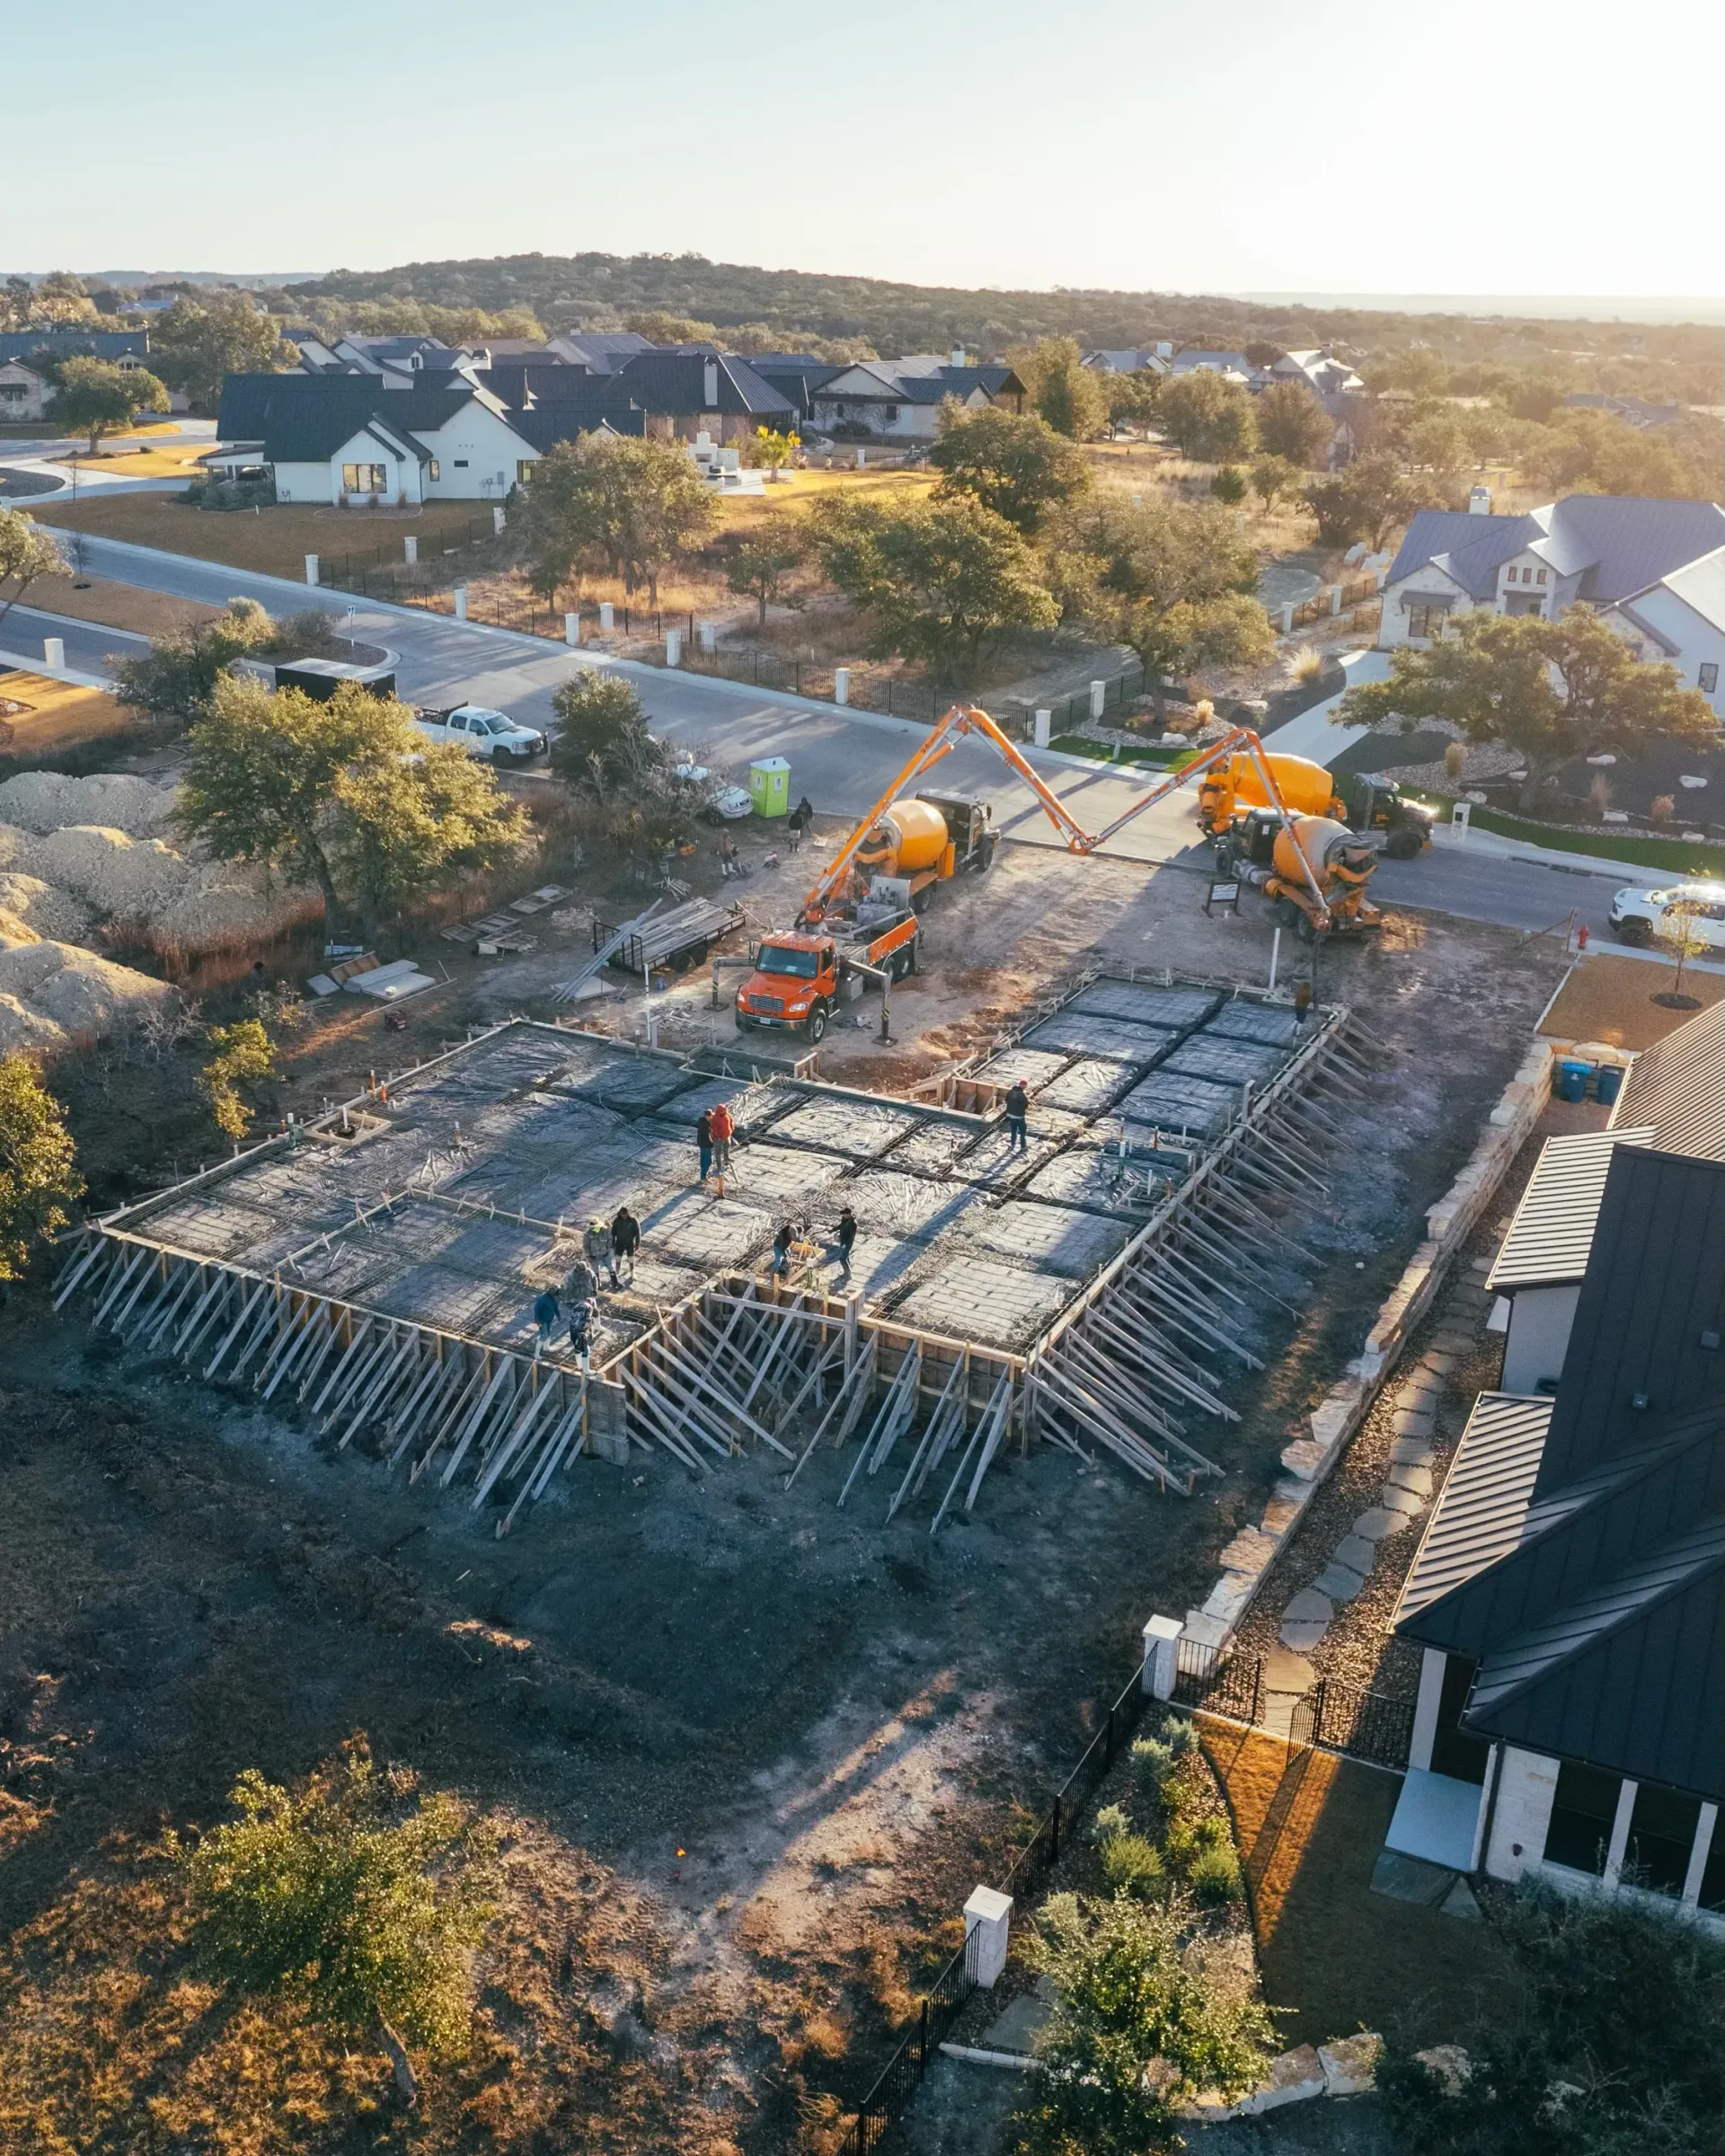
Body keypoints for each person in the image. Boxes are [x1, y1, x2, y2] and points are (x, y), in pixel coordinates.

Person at [565, 1291, 597, 1369]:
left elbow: (572, 1314)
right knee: (585, 1350)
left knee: (577, 1347)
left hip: (572, 1328)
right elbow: (588, 1320)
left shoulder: (578, 1304)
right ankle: (586, 1370)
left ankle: (580, 1367)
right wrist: (589, 1332)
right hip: (580, 1330)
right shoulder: (589, 1307)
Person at [610, 1204, 640, 1286]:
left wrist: (637, 1244)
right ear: (620, 1214)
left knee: (631, 1259)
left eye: (625, 1214)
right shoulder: (617, 1221)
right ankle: (617, 1272)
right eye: (622, 1214)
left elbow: (638, 1233)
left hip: (630, 1243)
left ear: (628, 1214)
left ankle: (632, 1273)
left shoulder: (634, 1221)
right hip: (620, 1243)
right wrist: (612, 1243)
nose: (624, 1216)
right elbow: (613, 1233)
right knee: (618, 1259)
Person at [709, 1099, 735, 1177]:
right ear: (719, 1110)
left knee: (727, 1145)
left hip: (727, 1135)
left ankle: (727, 1158)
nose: (725, 1111)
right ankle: (719, 1166)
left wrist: (732, 1128)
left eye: (725, 1109)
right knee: (718, 1153)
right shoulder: (715, 1119)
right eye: (723, 1110)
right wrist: (717, 1137)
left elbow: (730, 1121)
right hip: (719, 1139)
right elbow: (714, 1129)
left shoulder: (726, 1114)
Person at [532, 1286, 562, 1356]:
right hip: (542, 1320)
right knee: (544, 1335)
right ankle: (536, 1353)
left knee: (548, 1333)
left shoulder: (554, 1298)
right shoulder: (543, 1299)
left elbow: (556, 1308)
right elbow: (536, 1308)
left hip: (549, 1319)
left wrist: (558, 1316)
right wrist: (537, 1320)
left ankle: (546, 1347)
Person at [1004, 1079, 1030, 1154]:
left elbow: (1006, 1100)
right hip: (1019, 1117)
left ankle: (1012, 1145)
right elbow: (1025, 1106)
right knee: (1022, 1132)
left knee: (1013, 1130)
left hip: (1011, 1115)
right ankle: (1023, 1147)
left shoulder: (1010, 1092)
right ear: (1024, 1086)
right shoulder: (1022, 1096)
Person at [584, 1214, 612, 1283]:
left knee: (611, 1268)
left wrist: (608, 1248)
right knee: (595, 1271)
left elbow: (610, 1239)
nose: (593, 1228)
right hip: (594, 1256)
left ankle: (615, 1282)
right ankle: (597, 1284)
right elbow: (586, 1245)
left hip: (605, 1254)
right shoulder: (588, 1234)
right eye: (592, 1227)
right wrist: (588, 1255)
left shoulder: (604, 1231)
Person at [834, 1205, 857, 1281]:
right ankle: (845, 1273)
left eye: (844, 1214)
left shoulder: (853, 1223)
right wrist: (833, 1229)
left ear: (848, 1214)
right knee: (846, 1257)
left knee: (842, 1259)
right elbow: (841, 1226)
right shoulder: (844, 1219)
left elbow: (851, 1236)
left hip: (847, 1243)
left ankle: (849, 1275)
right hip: (843, 1241)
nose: (843, 1216)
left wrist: (845, 1243)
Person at [695, 1107, 714, 1182]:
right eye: (710, 1116)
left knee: (704, 1161)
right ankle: (703, 1177)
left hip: (703, 1145)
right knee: (707, 1161)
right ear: (707, 1116)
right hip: (705, 1145)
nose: (711, 1117)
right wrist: (712, 1143)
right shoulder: (705, 1126)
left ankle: (703, 1176)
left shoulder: (704, 1123)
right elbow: (707, 1137)